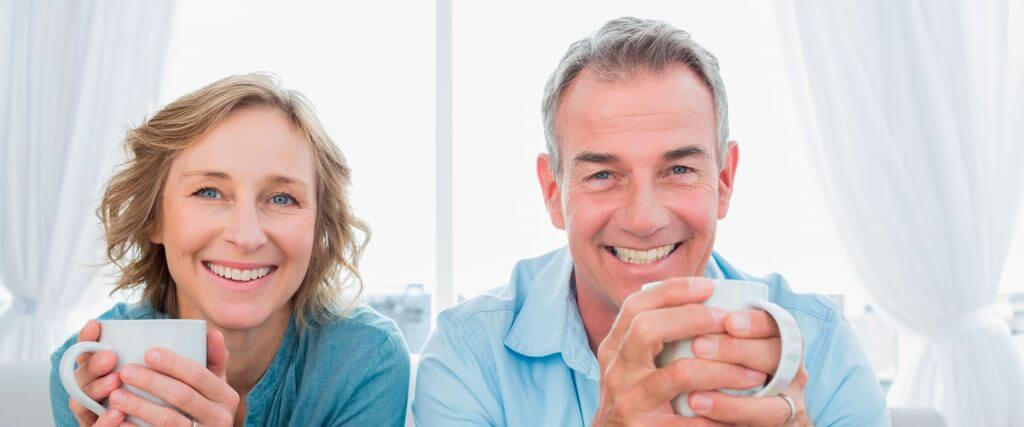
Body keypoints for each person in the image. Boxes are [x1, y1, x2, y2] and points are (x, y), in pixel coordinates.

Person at [413, 17, 889, 426]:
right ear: (554, 192)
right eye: (602, 174)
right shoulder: (471, 356)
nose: (644, 219)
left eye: (679, 170)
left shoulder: (820, 345)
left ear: (723, 180)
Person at [49, 73, 410, 426]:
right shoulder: (85, 373)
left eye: (282, 198)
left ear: (320, 228)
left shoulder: (365, 359)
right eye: (208, 192)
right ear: (153, 218)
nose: (246, 236)